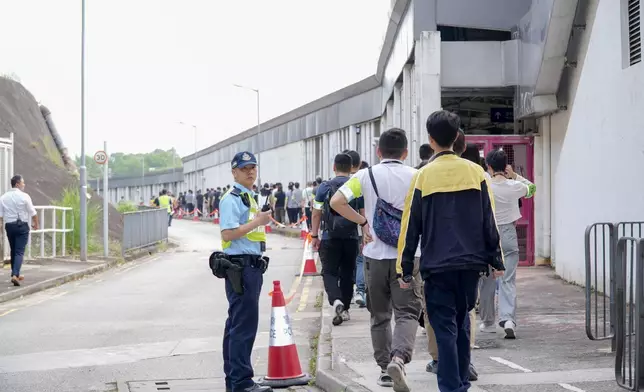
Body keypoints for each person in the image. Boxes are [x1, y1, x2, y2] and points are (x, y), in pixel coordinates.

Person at [397, 110, 505, 392]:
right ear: (458, 137)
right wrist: (496, 259)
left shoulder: (422, 176)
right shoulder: (477, 173)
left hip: (437, 266)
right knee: (462, 322)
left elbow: (411, 227)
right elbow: (488, 219)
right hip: (471, 266)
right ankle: (461, 384)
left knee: (444, 328)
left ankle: (451, 387)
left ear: (431, 141)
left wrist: (405, 268)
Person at [331, 129, 422, 390]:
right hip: (407, 257)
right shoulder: (417, 176)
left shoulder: (364, 175)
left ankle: (384, 369)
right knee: (407, 312)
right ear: (406, 153)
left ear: (378, 152)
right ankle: (399, 358)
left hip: (375, 257)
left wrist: (363, 222)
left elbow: (336, 201)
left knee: (379, 315)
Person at [219, 151, 272, 392]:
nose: (250, 171)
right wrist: (258, 222)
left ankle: (235, 381)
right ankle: (241, 382)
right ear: (234, 172)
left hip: (249, 264)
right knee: (243, 326)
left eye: (253, 167)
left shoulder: (250, 196)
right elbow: (228, 234)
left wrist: (259, 221)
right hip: (241, 266)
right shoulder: (231, 198)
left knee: (237, 324)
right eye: (244, 168)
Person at [479, 149, 536, 339]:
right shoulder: (514, 186)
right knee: (507, 279)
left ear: (488, 166)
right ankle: (508, 319)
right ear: (505, 167)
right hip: (509, 234)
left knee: (486, 279)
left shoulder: (484, 186)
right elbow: (532, 188)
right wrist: (515, 175)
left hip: (487, 234)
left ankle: (488, 323)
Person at [311, 153, 363, 326]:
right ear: (351, 168)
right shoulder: (356, 186)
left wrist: (314, 235)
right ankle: (346, 309)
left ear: (334, 167)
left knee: (329, 271)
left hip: (329, 236)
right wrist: (363, 236)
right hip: (351, 236)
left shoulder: (324, 187)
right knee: (348, 273)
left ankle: (336, 300)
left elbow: (316, 213)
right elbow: (362, 213)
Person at [0, 174, 39, 286]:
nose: (24, 184)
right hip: (21, 226)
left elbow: (0, 216)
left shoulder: (3, 197)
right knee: (19, 251)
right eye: (22, 182)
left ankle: (15, 274)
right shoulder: (25, 196)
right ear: (17, 184)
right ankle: (15, 274)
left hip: (10, 226)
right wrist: (36, 224)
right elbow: (33, 213)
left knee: (13, 250)